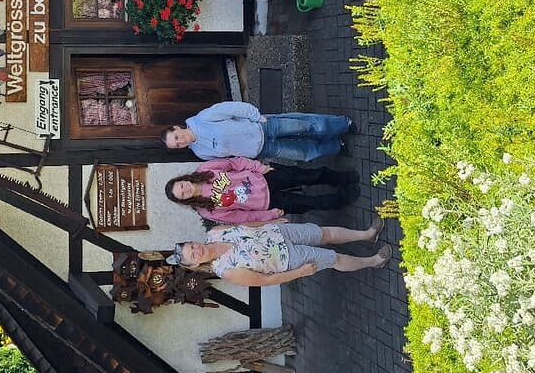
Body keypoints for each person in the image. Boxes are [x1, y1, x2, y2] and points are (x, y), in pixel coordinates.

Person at [165, 219, 389, 288]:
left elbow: (245, 225)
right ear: (195, 266)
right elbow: (266, 280)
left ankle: (367, 234)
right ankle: (374, 261)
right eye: (192, 256)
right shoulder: (227, 271)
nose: (196, 251)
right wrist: (299, 273)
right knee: (333, 258)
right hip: (288, 259)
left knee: (325, 232)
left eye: (192, 246)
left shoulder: (215, 233)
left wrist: (270, 220)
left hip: (279, 232)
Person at [165, 157, 359, 223]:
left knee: (311, 175)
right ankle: (344, 197)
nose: (185, 190)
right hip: (268, 203)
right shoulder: (207, 210)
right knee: (310, 203)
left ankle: (342, 178)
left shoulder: (204, 170)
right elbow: (241, 218)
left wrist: (259, 167)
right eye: (181, 194)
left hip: (265, 178)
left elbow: (235, 162)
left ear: (183, 179)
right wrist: (270, 215)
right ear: (184, 200)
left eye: (181, 186)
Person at [161, 101, 351, 162]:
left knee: (307, 126)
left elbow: (233, 108)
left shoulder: (203, 118)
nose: (180, 141)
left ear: (178, 128)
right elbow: (230, 160)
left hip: (263, 127)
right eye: (177, 145)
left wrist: (256, 116)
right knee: (304, 154)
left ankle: (343, 124)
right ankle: (336, 145)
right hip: (263, 150)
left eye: (176, 137)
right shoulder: (200, 152)